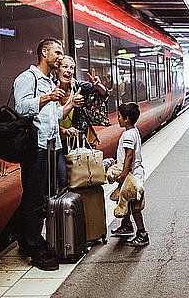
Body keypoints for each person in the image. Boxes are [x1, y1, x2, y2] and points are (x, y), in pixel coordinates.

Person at [12, 38, 79, 271]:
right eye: (57, 52)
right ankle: (34, 247)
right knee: (34, 199)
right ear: (44, 52)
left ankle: (26, 238)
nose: (61, 57)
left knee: (40, 195)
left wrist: (69, 105)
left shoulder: (49, 81)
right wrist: (47, 97)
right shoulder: (27, 78)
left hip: (52, 145)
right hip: (36, 148)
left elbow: (53, 116)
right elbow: (21, 108)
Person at [55, 55, 108, 188]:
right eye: (65, 67)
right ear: (57, 69)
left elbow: (104, 93)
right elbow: (45, 117)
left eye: (71, 68)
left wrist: (98, 85)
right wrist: (63, 130)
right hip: (57, 142)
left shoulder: (77, 86)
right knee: (62, 177)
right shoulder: (50, 88)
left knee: (78, 178)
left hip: (76, 142)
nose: (69, 70)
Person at [110, 102, 149, 246]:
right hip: (133, 173)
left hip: (131, 176)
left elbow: (129, 156)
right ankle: (126, 224)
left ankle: (142, 233)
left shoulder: (128, 135)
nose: (117, 119)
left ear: (126, 119)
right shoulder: (134, 131)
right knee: (125, 198)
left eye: (119, 117)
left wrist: (123, 175)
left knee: (134, 205)